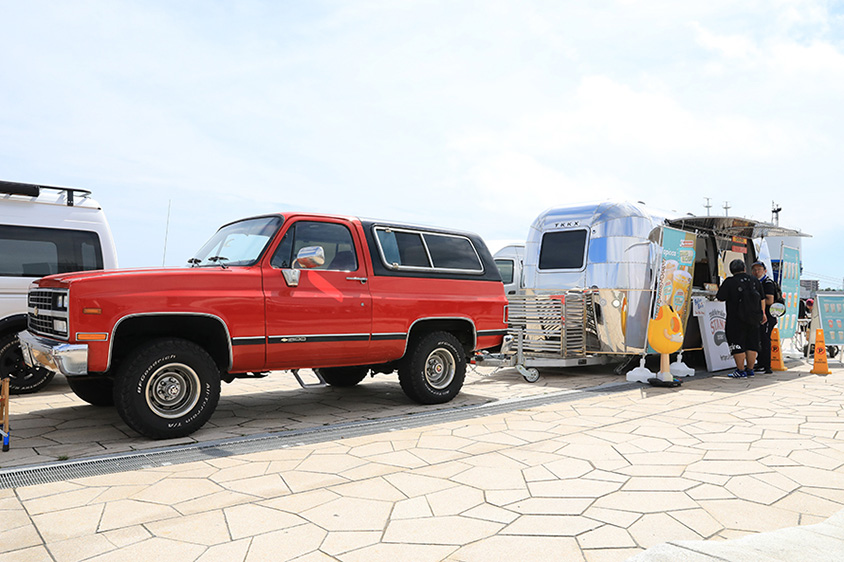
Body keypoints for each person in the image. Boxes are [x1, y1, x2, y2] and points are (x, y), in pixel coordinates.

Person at [716, 259, 766, 378]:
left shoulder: (730, 282)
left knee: (737, 344)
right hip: (754, 318)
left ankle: (740, 370)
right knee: (752, 344)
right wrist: (762, 313)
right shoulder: (754, 280)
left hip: (736, 319)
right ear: (744, 268)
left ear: (731, 270)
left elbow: (720, 297)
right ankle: (750, 370)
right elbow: (762, 298)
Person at [752, 261, 777, 374]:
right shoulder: (755, 282)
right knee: (759, 339)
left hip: (768, 316)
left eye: (759, 269)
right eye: (755, 270)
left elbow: (770, 300)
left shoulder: (767, 283)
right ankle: (760, 363)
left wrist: (755, 301)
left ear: (765, 271)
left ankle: (767, 365)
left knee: (765, 340)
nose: (757, 272)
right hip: (759, 316)